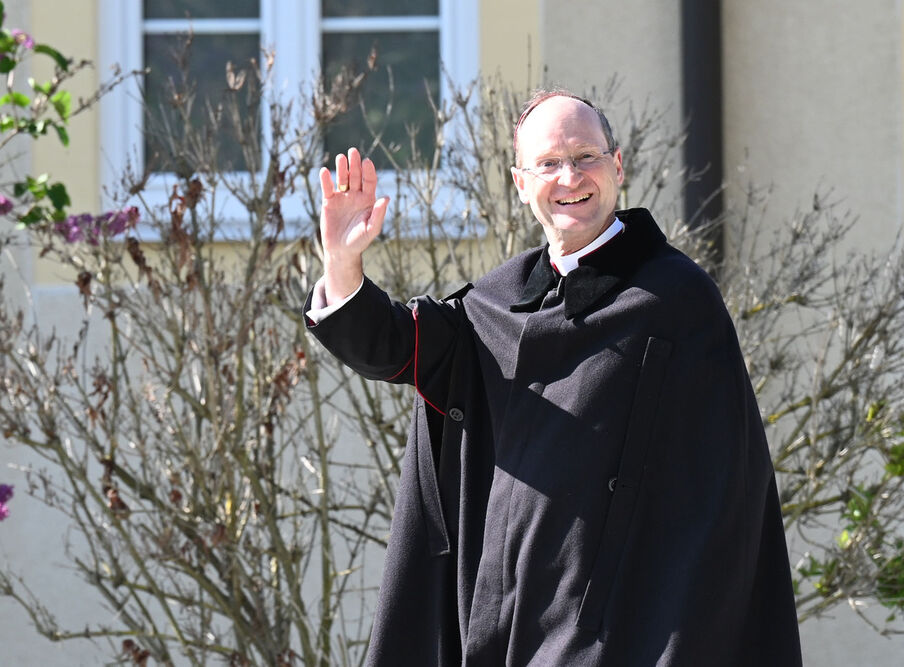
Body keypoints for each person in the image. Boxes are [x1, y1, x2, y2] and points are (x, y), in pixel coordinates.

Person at [304, 90, 803, 666]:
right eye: (548, 163)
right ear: (521, 184)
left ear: (618, 166)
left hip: (614, 635)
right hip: (495, 619)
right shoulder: (498, 302)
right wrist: (342, 263)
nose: (570, 177)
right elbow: (393, 346)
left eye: (586, 156)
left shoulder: (676, 301)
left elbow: (722, 501)